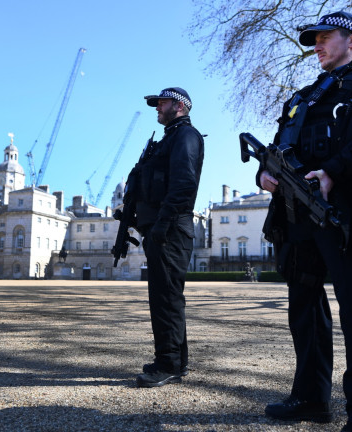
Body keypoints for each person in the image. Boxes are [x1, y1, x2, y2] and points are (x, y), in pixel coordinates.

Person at [257, 11, 352, 432]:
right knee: (304, 306)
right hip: (299, 215)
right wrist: (265, 175)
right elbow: (279, 148)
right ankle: (310, 398)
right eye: (314, 40)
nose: (317, 45)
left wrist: (334, 171)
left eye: (325, 37)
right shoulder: (304, 96)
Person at [132, 87, 204, 388]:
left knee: (165, 298)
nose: (156, 108)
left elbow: (185, 184)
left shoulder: (186, 136)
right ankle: (175, 360)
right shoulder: (170, 137)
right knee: (167, 296)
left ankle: (168, 363)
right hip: (163, 226)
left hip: (170, 228)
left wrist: (162, 223)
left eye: (161, 103)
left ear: (179, 105)